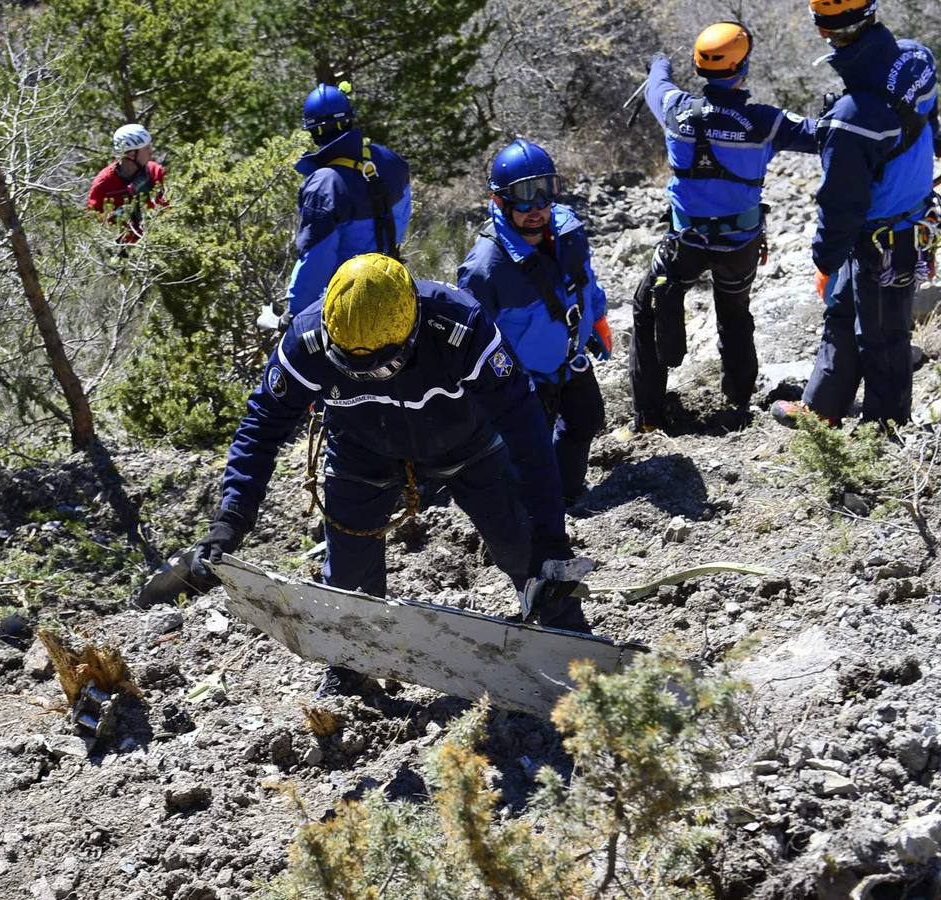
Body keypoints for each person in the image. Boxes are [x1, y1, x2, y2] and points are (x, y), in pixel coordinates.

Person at [190, 253, 590, 696]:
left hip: (467, 446)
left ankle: (574, 646)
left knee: (528, 552)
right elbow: (260, 426)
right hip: (362, 452)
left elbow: (526, 430)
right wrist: (232, 518)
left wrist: (551, 536)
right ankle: (349, 671)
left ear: (413, 330)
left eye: (382, 367)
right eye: (352, 367)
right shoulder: (306, 343)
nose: (371, 377)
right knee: (348, 585)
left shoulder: (460, 326)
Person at [629, 22, 818, 435]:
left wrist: (658, 63)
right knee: (734, 316)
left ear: (699, 68)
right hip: (739, 245)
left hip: (686, 243)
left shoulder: (675, 108)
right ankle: (737, 404)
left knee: (649, 304)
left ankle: (648, 416)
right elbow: (820, 136)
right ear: (743, 67)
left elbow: (655, 83)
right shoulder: (764, 122)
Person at [772, 0, 939, 429]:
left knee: (884, 339)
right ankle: (822, 408)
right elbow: (929, 121)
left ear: (822, 30)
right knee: (842, 314)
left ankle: (885, 433)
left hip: (886, 238)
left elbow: (841, 204)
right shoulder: (916, 58)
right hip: (897, 227)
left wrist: (825, 261)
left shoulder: (852, 118)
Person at [458, 140, 611, 504]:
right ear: (500, 200)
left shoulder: (569, 233)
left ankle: (568, 495)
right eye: (524, 195)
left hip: (569, 361)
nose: (537, 207)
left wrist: (598, 320)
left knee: (586, 421)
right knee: (526, 456)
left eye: (546, 191)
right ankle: (524, 520)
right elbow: (470, 343)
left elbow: (585, 281)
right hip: (524, 382)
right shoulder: (484, 269)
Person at [279, 84, 412, 325]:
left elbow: (316, 260)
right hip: (393, 286)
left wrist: (294, 313)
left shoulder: (324, 185)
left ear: (313, 132)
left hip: (347, 305)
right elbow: (402, 218)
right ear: (350, 119)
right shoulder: (389, 160)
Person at [86, 123, 167, 243]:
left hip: (157, 242)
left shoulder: (156, 172)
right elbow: (93, 221)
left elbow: (169, 208)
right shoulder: (104, 183)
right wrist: (115, 217)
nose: (150, 152)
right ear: (131, 154)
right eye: (146, 148)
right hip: (122, 251)